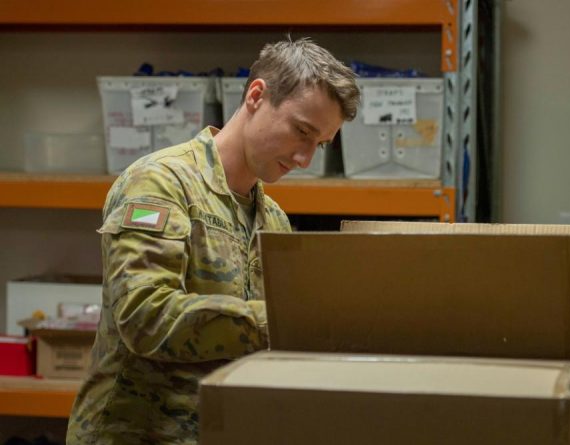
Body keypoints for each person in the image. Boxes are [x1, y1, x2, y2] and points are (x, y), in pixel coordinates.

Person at [66, 38, 360, 444]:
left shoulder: (272, 219)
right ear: (257, 95)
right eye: (301, 131)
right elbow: (144, 317)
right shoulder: (160, 183)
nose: (305, 159)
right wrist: (280, 321)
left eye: (320, 144)